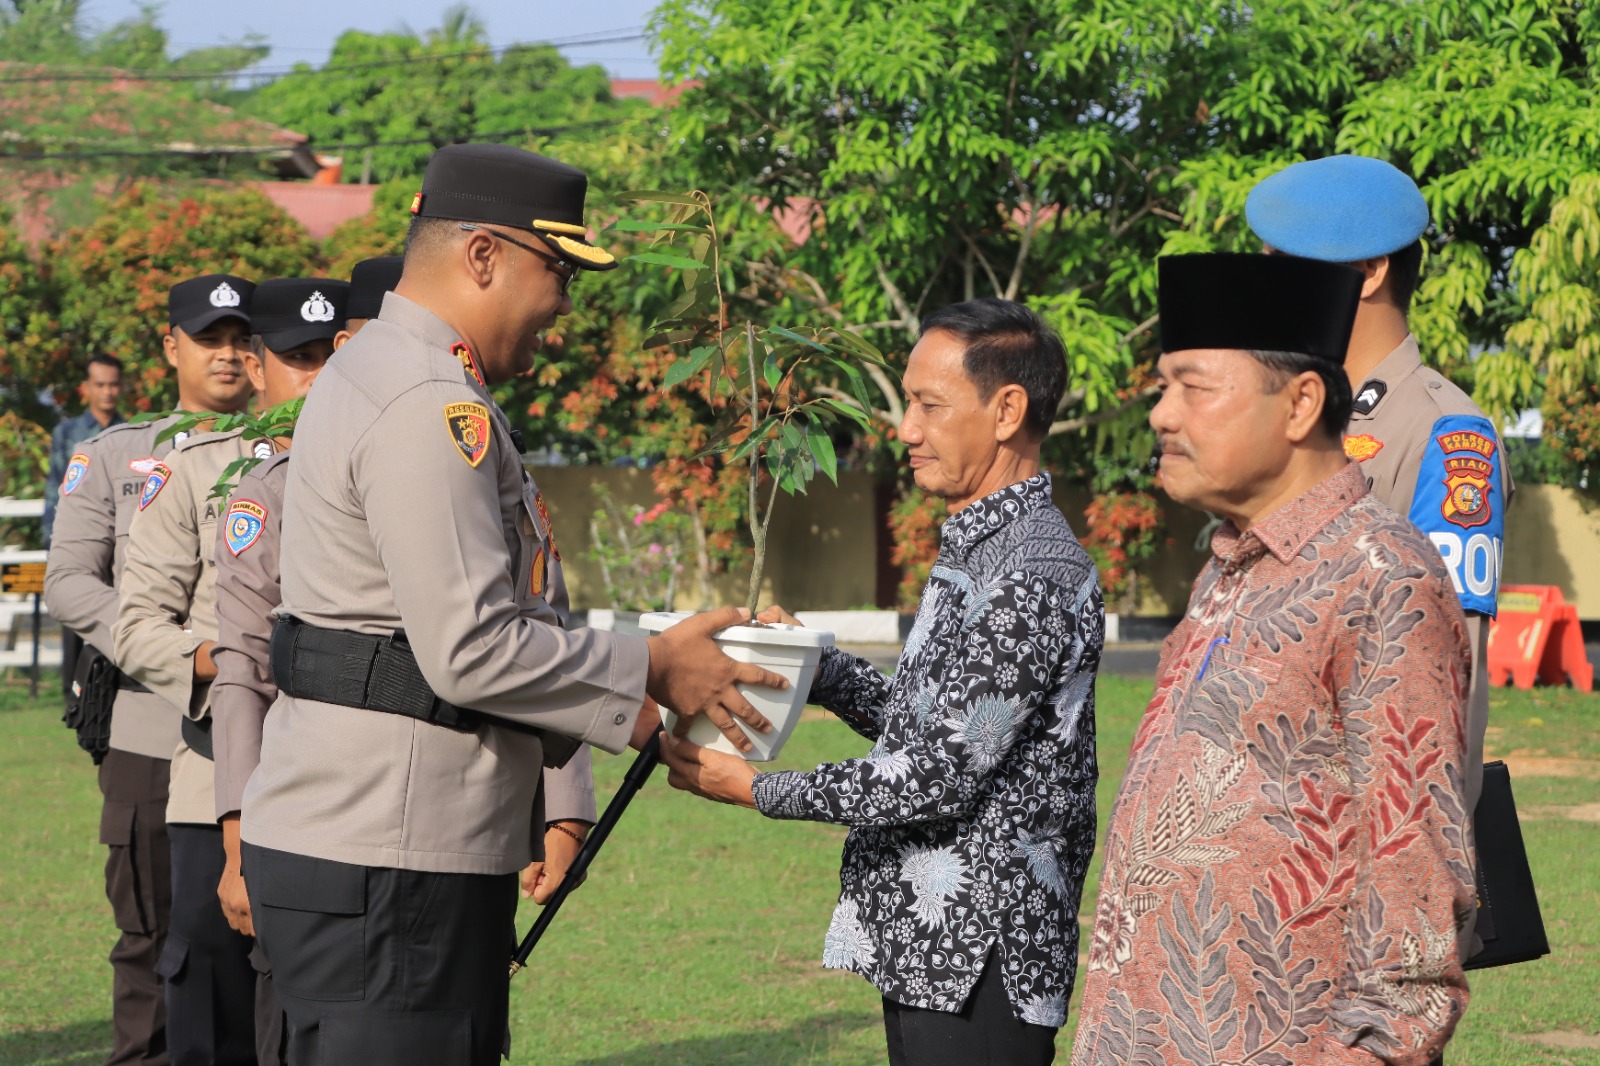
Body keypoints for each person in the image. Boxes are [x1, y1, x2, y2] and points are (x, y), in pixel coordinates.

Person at [237, 143, 787, 1066]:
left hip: (370, 840)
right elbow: (472, 650)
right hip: (390, 855)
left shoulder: (383, 372)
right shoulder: (424, 399)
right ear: (483, 256)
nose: (565, 304)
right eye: (557, 270)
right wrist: (651, 664)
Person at [662, 299, 1103, 1066]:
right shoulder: (980, 543)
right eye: (909, 402)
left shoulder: (1030, 572)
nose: (906, 428)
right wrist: (815, 665)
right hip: (934, 947)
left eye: (929, 405)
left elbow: (931, 778)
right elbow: (927, 722)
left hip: (983, 954)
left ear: (1007, 410)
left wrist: (757, 791)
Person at [1070, 253, 1476, 1066]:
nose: (1160, 414)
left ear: (1300, 404)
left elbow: (1415, 914)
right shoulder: (1228, 565)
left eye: (1194, 386)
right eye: (1162, 388)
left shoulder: (1381, 576)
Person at [114, 278, 350, 1066]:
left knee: (309, 1003)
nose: (317, 375)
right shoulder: (188, 471)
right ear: (255, 369)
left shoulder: (378, 470)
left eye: (331, 355)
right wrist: (232, 660)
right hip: (219, 770)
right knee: (212, 998)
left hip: (339, 777)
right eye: (298, 357)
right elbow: (136, 622)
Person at [1247, 155, 1512, 811]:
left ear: (1369, 271)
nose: (1265, 281)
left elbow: (1450, 675)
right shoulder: (1292, 417)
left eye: (1285, 260)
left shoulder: (1447, 436)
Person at [44, 274, 257, 1066]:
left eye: (242, 339)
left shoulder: (297, 445)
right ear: (172, 346)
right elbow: (70, 581)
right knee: (153, 928)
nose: (229, 356)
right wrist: (169, 657)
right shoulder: (116, 455)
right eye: (210, 339)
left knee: (261, 926)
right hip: (148, 714)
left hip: (270, 719)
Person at [45, 353, 126, 697]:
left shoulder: (131, 433)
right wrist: (54, 545)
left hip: (121, 546)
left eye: (113, 384)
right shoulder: (68, 433)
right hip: (79, 540)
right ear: (86, 388)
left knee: (117, 621)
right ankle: (72, 694)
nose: (107, 392)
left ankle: (112, 690)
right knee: (76, 619)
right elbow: (55, 490)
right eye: (100, 385)